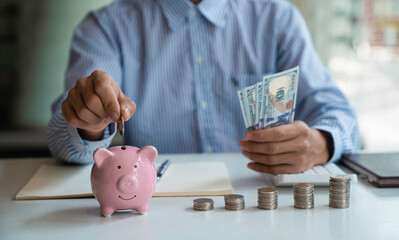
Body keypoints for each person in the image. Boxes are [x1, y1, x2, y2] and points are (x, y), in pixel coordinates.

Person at [46, 0, 362, 174]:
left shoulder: (278, 19)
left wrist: (321, 143)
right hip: (151, 217)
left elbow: (339, 115)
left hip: (262, 213)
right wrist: (88, 126)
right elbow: (64, 145)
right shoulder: (106, 27)